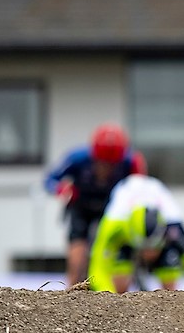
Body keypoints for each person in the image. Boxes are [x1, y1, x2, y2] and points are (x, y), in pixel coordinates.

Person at [44, 122, 146, 287]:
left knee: (115, 246)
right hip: (81, 207)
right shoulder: (77, 158)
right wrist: (61, 189)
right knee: (78, 247)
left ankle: (116, 290)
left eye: (112, 165)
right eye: (102, 163)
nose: (106, 169)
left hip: (110, 209)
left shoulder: (130, 162)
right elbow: (49, 179)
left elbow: (140, 186)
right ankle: (72, 287)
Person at [87, 173, 184, 293]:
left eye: (153, 247)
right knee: (119, 280)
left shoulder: (172, 224)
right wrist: (110, 302)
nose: (148, 253)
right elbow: (97, 268)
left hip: (156, 225)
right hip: (125, 234)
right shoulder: (114, 224)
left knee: (170, 283)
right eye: (144, 247)